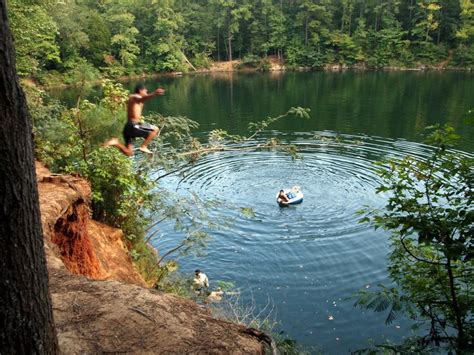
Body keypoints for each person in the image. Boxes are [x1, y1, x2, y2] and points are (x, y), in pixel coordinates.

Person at [105, 83, 165, 156]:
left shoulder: (133, 99)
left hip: (128, 128)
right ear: (140, 91)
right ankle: (143, 146)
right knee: (155, 129)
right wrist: (154, 94)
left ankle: (116, 143)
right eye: (145, 92)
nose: (146, 93)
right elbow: (142, 98)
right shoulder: (135, 96)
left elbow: (139, 101)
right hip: (133, 125)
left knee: (129, 153)